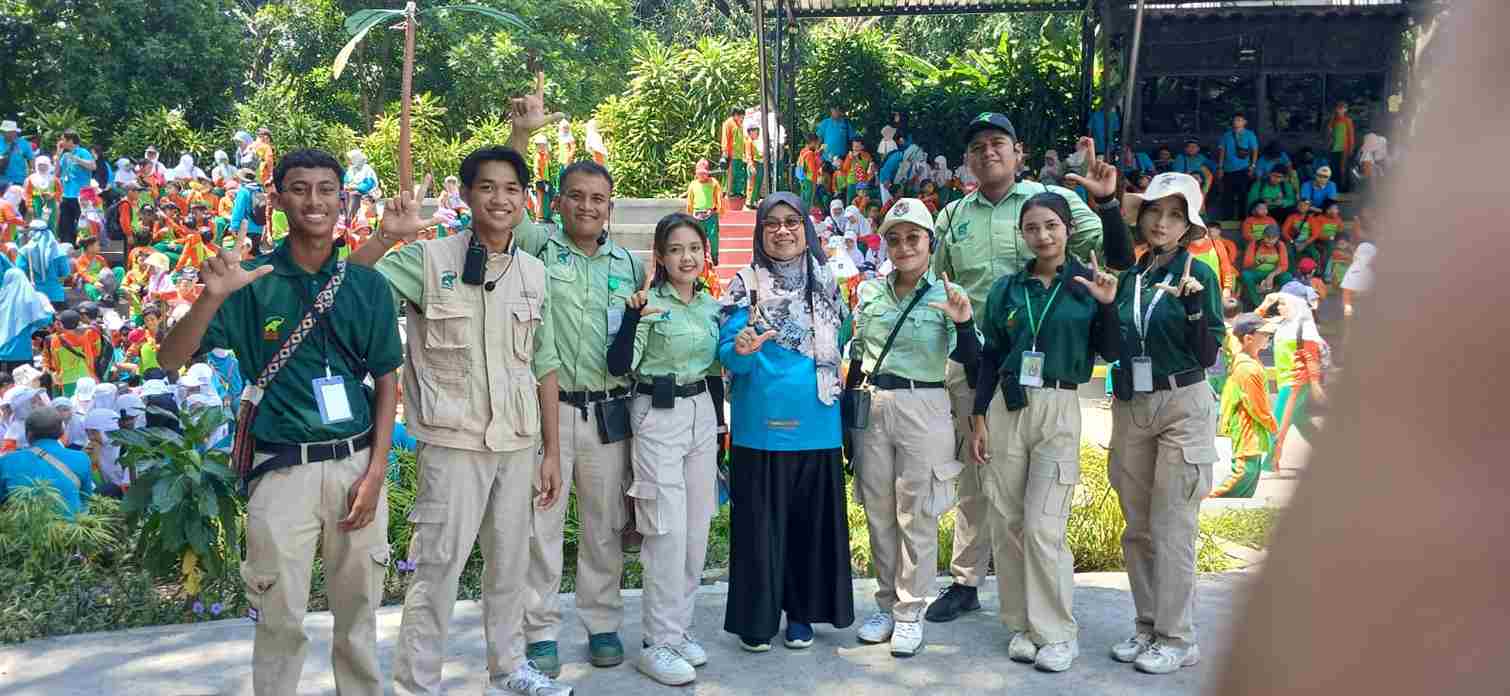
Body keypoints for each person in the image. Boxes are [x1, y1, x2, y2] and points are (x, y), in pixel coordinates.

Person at [158, 148, 403, 696]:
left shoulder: (366, 285)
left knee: (360, 615)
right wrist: (210, 298)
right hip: (281, 471)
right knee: (278, 619)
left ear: (343, 200)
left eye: (326, 189)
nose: (314, 200)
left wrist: (376, 473)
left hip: (356, 464)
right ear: (277, 200)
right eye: (299, 188)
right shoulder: (250, 283)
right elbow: (170, 358)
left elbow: (388, 380)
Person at [351, 142, 570, 696]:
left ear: (525, 199)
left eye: (512, 189)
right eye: (487, 187)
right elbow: (348, 287)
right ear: (468, 195)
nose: (501, 198)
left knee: (511, 564)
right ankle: (417, 684)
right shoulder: (428, 260)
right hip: (452, 443)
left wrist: (552, 450)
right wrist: (385, 237)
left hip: (516, 442)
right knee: (437, 569)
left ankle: (508, 668)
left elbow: (544, 364)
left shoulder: (534, 273)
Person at [928, 116, 1111, 624]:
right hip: (976, 359)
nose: (988, 153)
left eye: (998, 144)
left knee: (1037, 491)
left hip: (1041, 364)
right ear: (967, 160)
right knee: (976, 472)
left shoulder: (1047, 202)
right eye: (977, 147)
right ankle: (966, 580)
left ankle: (1041, 593)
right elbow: (937, 281)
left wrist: (1107, 202)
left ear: (1018, 152)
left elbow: (1102, 246)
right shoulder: (952, 216)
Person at [970, 184, 1122, 672]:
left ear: (1068, 229)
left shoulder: (1088, 284)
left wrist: (1107, 305)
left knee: (1043, 525)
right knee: (1008, 522)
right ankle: (1022, 625)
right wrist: (978, 416)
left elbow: (1112, 351)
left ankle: (1057, 633)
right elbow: (991, 355)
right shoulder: (1007, 289)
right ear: (1022, 234)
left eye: (1051, 226)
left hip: (1058, 404)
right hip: (1008, 404)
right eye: (1032, 228)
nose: (1042, 236)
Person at [719, 191, 854, 652]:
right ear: (759, 232)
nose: (782, 230)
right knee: (759, 530)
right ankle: (757, 620)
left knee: (808, 528)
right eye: (771, 223)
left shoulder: (827, 280)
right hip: (762, 427)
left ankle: (801, 615)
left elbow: (842, 336)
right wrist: (739, 351)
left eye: (792, 221)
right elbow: (729, 352)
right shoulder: (744, 283)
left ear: (806, 228)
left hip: (819, 423)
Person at [847, 199, 978, 658]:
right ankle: (886, 605)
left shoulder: (948, 294)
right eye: (895, 239)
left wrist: (964, 323)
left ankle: (909, 612)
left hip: (924, 404)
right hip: (874, 405)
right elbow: (857, 355)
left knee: (917, 514)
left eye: (913, 238)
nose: (904, 247)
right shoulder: (869, 293)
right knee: (879, 512)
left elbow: (971, 359)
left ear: (930, 243)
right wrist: (849, 421)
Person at [1104, 172, 1223, 674]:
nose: (1162, 222)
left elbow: (1209, 354)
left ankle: (1178, 637)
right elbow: (1112, 343)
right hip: (1133, 403)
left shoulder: (1200, 274)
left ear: (1188, 227)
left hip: (1182, 402)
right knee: (1138, 526)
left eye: (1176, 215)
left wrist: (1194, 311)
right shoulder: (1131, 278)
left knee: (1173, 525)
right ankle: (1148, 625)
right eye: (1155, 210)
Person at [600, 213, 724, 685]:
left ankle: (678, 629)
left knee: (696, 530)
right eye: (675, 249)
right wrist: (632, 317)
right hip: (657, 414)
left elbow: (714, 371)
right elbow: (618, 364)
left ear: (704, 254)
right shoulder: (647, 303)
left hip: (701, 415)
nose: (686, 257)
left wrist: (719, 432)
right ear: (660, 257)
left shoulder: (711, 307)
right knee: (664, 531)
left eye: (694, 248)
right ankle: (657, 642)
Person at [1257, 283, 1326, 476]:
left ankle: (1270, 464)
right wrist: (1265, 304)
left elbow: (1311, 357)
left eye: (1283, 303)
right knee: (1300, 420)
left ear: (1296, 304)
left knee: (1277, 424)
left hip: (1294, 384)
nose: (1278, 307)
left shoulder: (1304, 327)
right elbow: (1251, 324)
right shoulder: (1283, 323)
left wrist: (1315, 384)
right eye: (1278, 304)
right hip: (1287, 382)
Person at [1208, 314, 1278, 498]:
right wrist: (1273, 426)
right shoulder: (1248, 368)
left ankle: (1237, 506)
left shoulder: (1249, 360)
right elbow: (1258, 407)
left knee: (1251, 472)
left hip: (1252, 427)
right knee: (1245, 471)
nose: (1268, 338)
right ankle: (1210, 501)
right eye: (1264, 334)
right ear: (1248, 339)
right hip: (1247, 427)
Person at [0, 406, 92, 518]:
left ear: (27, 434)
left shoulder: (7, 461)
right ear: (61, 432)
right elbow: (86, 499)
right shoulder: (81, 458)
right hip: (71, 526)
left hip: (24, 527)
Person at [0, 267, 53, 375]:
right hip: (20, 353)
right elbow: (42, 321)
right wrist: (43, 302)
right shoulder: (27, 300)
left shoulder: (2, 298)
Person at [53, 130, 96, 245]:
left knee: (83, 223)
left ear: (70, 141)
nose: (61, 142)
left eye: (63, 140)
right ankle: (68, 245)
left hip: (81, 196)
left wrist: (76, 159)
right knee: (65, 224)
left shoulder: (83, 152)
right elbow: (56, 173)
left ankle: (84, 246)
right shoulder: (65, 155)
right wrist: (58, 155)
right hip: (66, 194)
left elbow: (93, 166)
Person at [1217, 114, 1260, 221]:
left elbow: (1255, 150)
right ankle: (1227, 219)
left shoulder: (1250, 134)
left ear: (1245, 122)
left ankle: (1242, 219)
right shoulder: (1226, 135)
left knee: (1243, 195)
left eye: (1239, 120)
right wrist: (1220, 167)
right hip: (1228, 170)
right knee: (1227, 195)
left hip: (1243, 169)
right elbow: (1222, 151)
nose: (1236, 121)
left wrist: (1253, 166)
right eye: (1235, 120)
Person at [1240, 224, 1291, 309]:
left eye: (1273, 238)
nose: (1270, 241)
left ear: (1278, 238)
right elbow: (1246, 265)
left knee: (1287, 276)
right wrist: (1259, 262)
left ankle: (1280, 302)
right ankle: (1257, 303)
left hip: (1273, 273)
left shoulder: (1280, 245)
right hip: (1257, 272)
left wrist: (1271, 275)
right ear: (1263, 236)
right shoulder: (1255, 244)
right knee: (1245, 275)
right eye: (1267, 237)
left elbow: (1284, 265)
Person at [686, 159, 724, 265]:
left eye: (704, 173)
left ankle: (714, 255)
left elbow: (718, 196)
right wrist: (689, 213)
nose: (702, 175)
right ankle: (701, 256)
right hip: (697, 214)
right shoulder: (693, 185)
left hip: (710, 214)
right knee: (698, 237)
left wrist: (719, 209)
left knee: (713, 236)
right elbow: (690, 200)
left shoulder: (713, 183)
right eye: (700, 173)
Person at [1325, 101, 1356, 192]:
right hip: (1334, 148)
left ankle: (1344, 188)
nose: (1341, 110)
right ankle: (1335, 188)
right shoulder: (1333, 120)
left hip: (1344, 148)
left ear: (1346, 110)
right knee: (1334, 169)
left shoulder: (1348, 120)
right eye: (1339, 108)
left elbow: (1351, 135)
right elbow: (1328, 131)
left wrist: (1351, 149)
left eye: (1343, 108)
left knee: (1344, 169)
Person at [816, 106, 858, 172]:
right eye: (836, 110)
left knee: (840, 178)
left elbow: (853, 140)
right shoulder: (825, 122)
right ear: (831, 110)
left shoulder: (846, 124)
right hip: (826, 160)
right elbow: (819, 139)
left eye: (839, 110)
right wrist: (817, 154)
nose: (838, 112)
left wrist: (853, 154)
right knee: (826, 178)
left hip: (842, 160)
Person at [721, 107, 747, 205]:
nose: (742, 118)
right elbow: (725, 138)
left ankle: (737, 192)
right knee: (730, 174)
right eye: (741, 116)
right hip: (731, 153)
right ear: (736, 114)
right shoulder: (728, 123)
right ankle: (728, 193)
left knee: (738, 174)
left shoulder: (739, 124)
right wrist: (725, 152)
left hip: (739, 154)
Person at [25, 156, 59, 232]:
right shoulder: (31, 178)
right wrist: (29, 205)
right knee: (37, 222)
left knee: (50, 222)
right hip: (36, 203)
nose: (42, 167)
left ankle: (50, 237)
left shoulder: (53, 178)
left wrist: (52, 195)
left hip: (50, 203)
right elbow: (28, 193)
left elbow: (59, 191)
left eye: (44, 165)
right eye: (40, 165)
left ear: (49, 166)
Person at [1, 120, 36, 192]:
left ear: (15, 132)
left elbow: (31, 158)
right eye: (4, 131)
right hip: (2, 179)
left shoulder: (23, 143)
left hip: (18, 179)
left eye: (9, 132)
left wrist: (32, 170)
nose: (6, 133)